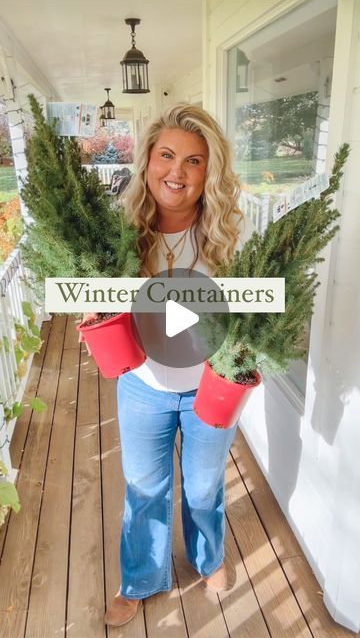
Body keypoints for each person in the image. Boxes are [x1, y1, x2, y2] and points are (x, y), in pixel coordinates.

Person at [82, 103, 255, 627]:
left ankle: (209, 558)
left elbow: (255, 315)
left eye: (195, 161)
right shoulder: (120, 232)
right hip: (142, 385)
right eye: (166, 155)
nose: (176, 172)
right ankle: (140, 578)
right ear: (148, 162)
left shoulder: (231, 235)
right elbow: (94, 296)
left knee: (203, 485)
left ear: (211, 172)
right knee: (143, 485)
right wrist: (94, 310)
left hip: (210, 386)